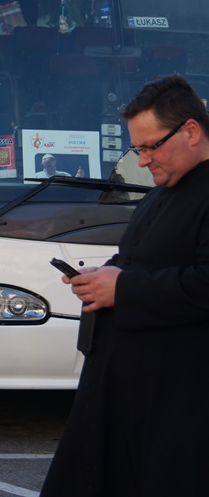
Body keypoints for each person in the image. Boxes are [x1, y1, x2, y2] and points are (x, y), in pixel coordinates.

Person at [41, 75, 209, 496]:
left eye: (151, 146)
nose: (144, 160)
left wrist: (124, 290)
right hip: (123, 390)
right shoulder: (163, 189)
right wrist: (102, 276)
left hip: (177, 401)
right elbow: (141, 257)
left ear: (191, 130)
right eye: (137, 148)